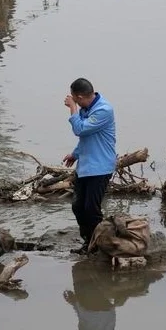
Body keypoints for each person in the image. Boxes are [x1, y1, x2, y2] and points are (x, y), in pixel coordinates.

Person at [63, 78, 116, 254]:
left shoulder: (103, 110)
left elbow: (80, 130)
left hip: (100, 168)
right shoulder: (87, 109)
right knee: (78, 206)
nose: (76, 103)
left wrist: (72, 108)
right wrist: (75, 154)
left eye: (76, 100)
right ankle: (88, 242)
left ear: (79, 96)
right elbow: (86, 138)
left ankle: (98, 246)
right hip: (85, 167)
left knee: (91, 209)